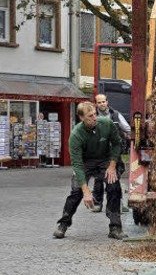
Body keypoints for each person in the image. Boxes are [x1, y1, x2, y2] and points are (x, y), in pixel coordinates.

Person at [53, 101, 127, 239]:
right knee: (76, 192)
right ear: (81, 118)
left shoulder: (106, 123)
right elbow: (77, 164)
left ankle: (115, 227)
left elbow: (117, 144)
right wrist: (86, 191)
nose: (94, 118)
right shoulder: (76, 135)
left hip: (105, 159)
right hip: (85, 162)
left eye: (94, 114)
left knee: (114, 187)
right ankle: (63, 224)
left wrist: (112, 166)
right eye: (89, 116)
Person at [91, 93, 130, 213]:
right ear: (96, 104)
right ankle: (97, 203)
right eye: (99, 102)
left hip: (114, 151)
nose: (102, 104)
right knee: (98, 178)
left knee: (115, 177)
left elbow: (127, 129)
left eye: (103, 101)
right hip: (99, 152)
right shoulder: (93, 117)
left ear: (107, 102)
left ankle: (119, 202)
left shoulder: (116, 115)